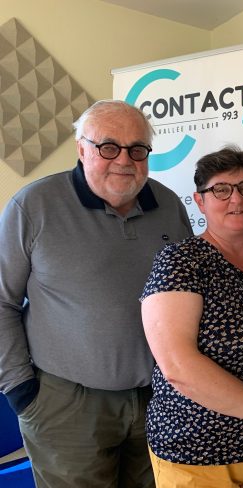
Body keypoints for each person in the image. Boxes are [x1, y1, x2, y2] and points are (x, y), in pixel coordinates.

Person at [0, 100, 193, 487]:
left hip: (159, 399)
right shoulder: (33, 206)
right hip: (67, 406)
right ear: (82, 148)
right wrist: (22, 390)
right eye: (108, 147)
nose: (124, 160)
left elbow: (191, 295)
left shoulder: (169, 206)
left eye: (137, 149)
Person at [140, 147, 243, 488]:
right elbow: (177, 367)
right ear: (200, 201)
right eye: (221, 189)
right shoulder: (179, 262)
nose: (236, 198)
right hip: (195, 453)